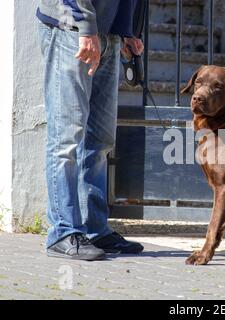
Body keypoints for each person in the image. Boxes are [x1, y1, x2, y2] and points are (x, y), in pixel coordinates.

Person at [37, 0, 145, 261]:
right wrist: (85, 27)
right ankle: (63, 232)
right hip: (71, 29)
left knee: (100, 139)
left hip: (108, 33)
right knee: (67, 138)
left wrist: (129, 30)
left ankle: (95, 229)